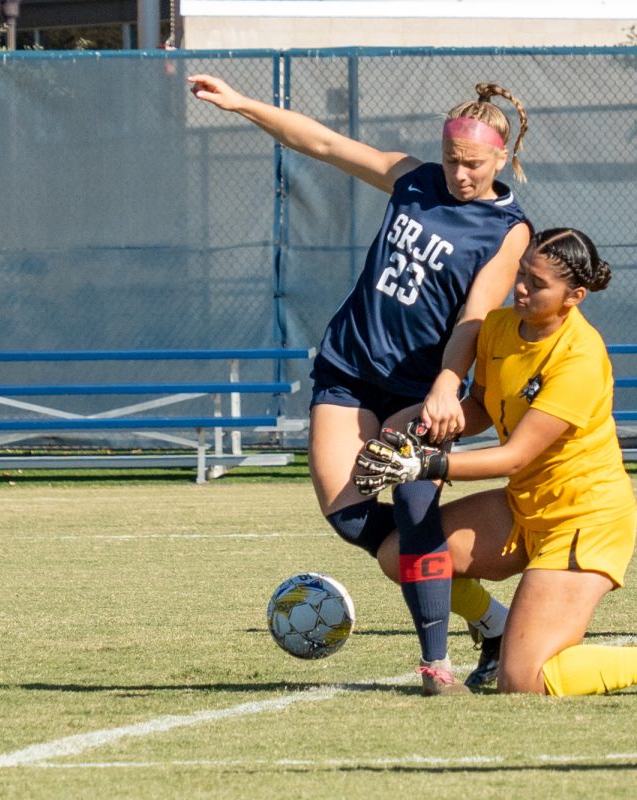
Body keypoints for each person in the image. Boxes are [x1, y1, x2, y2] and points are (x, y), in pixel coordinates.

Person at [187, 74, 533, 691]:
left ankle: (437, 663)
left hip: (420, 391)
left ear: (502, 157)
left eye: (474, 164)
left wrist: (446, 385)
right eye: (453, 160)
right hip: (348, 369)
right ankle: (493, 623)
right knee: (350, 517)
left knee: (413, 514)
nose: (460, 174)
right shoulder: (417, 180)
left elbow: (475, 317)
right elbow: (321, 144)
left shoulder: (509, 230)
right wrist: (240, 104)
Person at [356, 228, 637, 696]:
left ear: (574, 296)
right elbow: (482, 405)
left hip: (583, 520)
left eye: (537, 283)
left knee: (523, 682)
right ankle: (496, 629)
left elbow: (514, 453)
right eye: (521, 273)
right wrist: (429, 427)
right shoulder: (501, 327)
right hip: (525, 505)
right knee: (402, 555)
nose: (521, 287)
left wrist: (425, 468)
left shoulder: (580, 356)